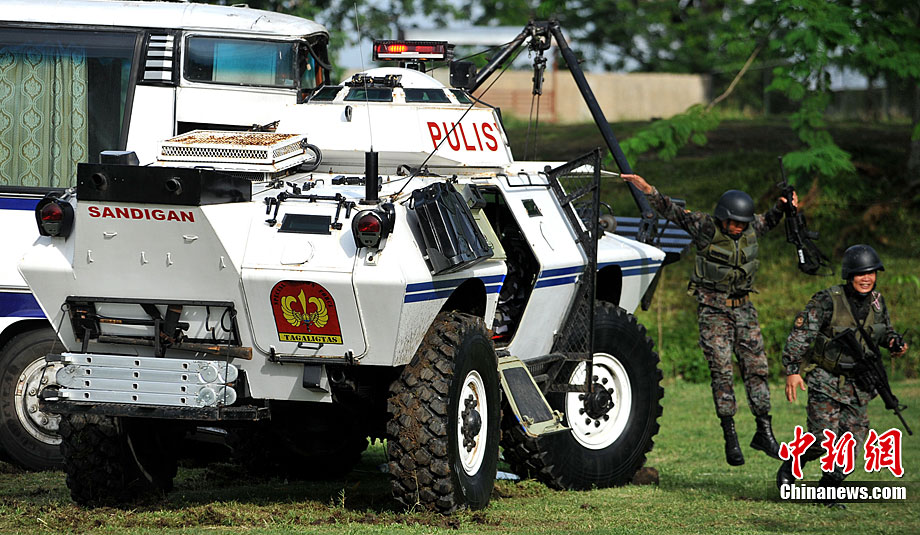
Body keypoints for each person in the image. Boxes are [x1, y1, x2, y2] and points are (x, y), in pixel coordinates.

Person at [622, 173, 794, 465]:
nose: (739, 228)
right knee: (722, 371)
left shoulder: (751, 227)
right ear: (723, 218)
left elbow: (770, 219)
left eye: (742, 223)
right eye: (734, 222)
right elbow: (672, 211)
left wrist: (784, 205)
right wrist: (648, 190)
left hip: (744, 309)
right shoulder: (705, 227)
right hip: (713, 311)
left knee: (757, 368)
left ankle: (764, 431)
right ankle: (730, 435)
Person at [777, 244, 907, 490]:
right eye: (860, 273)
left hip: (859, 385)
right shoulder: (827, 300)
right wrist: (792, 371)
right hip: (826, 379)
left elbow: (883, 332)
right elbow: (801, 335)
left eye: (871, 273)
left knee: (851, 446)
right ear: (849, 275)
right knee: (821, 440)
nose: (866, 278)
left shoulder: (877, 302)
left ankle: (828, 488)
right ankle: (794, 462)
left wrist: (894, 343)